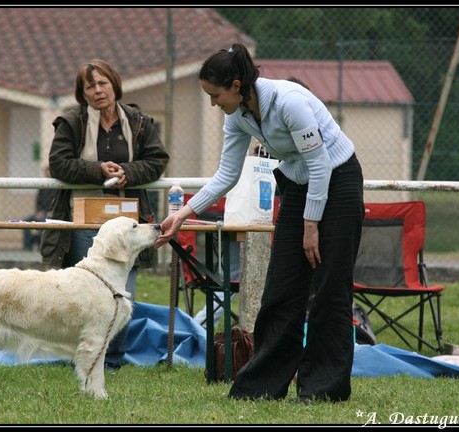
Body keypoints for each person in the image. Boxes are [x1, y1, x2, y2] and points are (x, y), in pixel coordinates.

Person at [156, 43, 364, 403]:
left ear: (237, 85)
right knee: (281, 289)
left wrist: (310, 227)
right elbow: (226, 175)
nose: (212, 103)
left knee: (330, 289)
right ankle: (261, 386)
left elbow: (320, 167)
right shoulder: (237, 115)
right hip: (299, 184)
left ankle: (322, 390)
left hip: (339, 180)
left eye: (215, 95)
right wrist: (184, 214)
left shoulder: (289, 102)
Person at [40, 59, 169, 370]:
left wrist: (129, 172)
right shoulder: (72, 122)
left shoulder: (139, 121)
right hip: (83, 220)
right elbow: (58, 163)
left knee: (122, 295)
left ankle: (112, 360)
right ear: (82, 93)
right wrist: (97, 171)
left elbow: (157, 160)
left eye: (103, 84)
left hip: (128, 223)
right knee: (86, 296)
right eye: (90, 86)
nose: (98, 91)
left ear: (114, 85)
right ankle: (79, 357)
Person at [22, 166, 56, 250]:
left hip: (49, 214)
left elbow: (54, 204)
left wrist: (45, 213)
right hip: (40, 213)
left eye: (48, 172)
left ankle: (40, 245)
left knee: (42, 222)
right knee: (25, 221)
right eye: (45, 172)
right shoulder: (42, 186)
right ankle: (28, 246)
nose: (46, 174)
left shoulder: (56, 187)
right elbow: (38, 201)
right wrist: (38, 212)